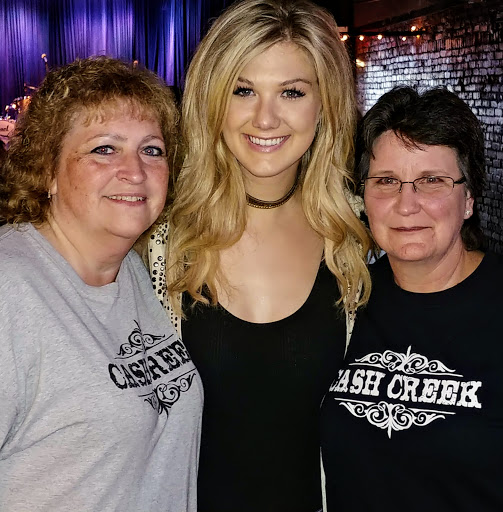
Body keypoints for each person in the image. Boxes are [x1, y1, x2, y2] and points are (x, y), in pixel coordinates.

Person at [148, 1, 372, 510]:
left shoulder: (357, 240)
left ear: (325, 105)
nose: (265, 118)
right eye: (242, 90)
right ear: (212, 100)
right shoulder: (158, 242)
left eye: (292, 92)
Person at [0, 57, 203, 512]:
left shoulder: (134, 270)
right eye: (105, 149)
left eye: (152, 150)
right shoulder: (9, 288)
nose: (135, 171)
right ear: (47, 170)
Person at [321, 86, 503, 511]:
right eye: (386, 181)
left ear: (469, 198)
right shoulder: (343, 300)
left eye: (432, 181)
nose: (406, 205)